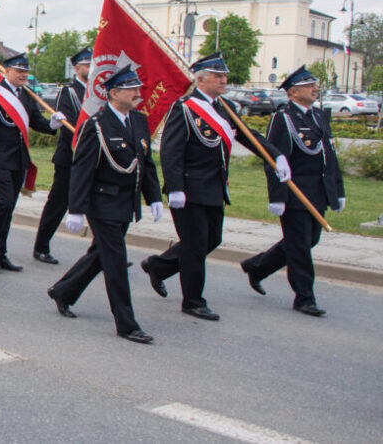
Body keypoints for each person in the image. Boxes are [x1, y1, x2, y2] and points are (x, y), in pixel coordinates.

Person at [141, 52, 289, 322]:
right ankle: (193, 301)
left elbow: (247, 135)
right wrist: (174, 187)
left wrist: (275, 155)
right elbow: (171, 150)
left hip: (214, 187)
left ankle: (159, 266)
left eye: (224, 76)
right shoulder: (185, 107)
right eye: (218, 76)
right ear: (201, 78)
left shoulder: (224, 107)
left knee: (212, 240)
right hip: (188, 189)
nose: (224, 80)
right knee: (196, 246)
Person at [47, 65, 163, 344]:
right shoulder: (96, 125)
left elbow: (145, 164)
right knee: (115, 261)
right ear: (113, 93)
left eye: (137, 88)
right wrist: (75, 209)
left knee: (101, 253)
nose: (138, 93)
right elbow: (82, 169)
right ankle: (126, 323)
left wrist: (155, 197)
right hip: (102, 203)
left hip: (126, 202)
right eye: (131, 89)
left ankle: (63, 291)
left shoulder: (138, 121)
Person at [240, 66, 345, 317]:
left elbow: (330, 156)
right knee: (299, 246)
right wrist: (277, 196)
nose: (315, 89)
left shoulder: (318, 116)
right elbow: (274, 158)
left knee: (310, 240)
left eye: (315, 85)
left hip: (318, 192)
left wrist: (337, 190)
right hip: (295, 192)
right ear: (294, 92)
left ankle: (257, 266)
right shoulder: (283, 118)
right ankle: (305, 297)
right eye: (309, 86)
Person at [0, 53, 64, 272]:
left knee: (10, 207)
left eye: (26, 72)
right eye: (19, 71)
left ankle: (1, 253)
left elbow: (36, 122)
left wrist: (52, 124)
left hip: (19, 159)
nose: (24, 75)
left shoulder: (27, 95)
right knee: (3, 203)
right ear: (7, 71)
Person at [34, 47, 92, 264]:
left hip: (94, 158)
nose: (91, 68)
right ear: (77, 69)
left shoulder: (99, 92)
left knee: (98, 204)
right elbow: (68, 124)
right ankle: (41, 245)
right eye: (87, 65)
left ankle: (106, 250)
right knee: (58, 203)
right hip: (71, 156)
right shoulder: (69, 92)